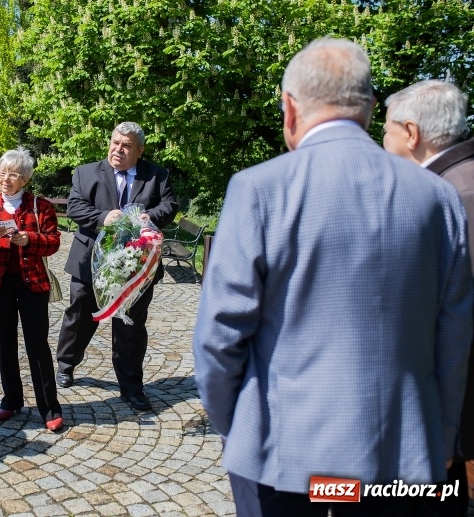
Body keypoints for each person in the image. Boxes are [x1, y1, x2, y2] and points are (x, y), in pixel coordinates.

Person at [192, 37, 473, 517]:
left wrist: (234, 424)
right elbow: (453, 336)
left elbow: (219, 338)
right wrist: (442, 436)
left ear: (289, 108)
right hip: (401, 458)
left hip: (282, 458)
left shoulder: (258, 189)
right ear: (365, 108)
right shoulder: (436, 197)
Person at [383, 79, 474, 515]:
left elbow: (455, 320)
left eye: (386, 130)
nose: (382, 140)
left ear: (412, 133)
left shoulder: (454, 197)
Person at [56, 122, 178, 411]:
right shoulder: (85, 173)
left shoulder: (157, 175)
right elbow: (75, 207)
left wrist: (146, 217)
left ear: (139, 150)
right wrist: (102, 218)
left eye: (125, 145)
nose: (118, 150)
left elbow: (170, 205)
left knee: (131, 327)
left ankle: (132, 388)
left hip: (137, 268)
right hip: (90, 264)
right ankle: (65, 365)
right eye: (114, 143)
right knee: (79, 317)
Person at [0, 147, 64, 431]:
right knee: (5, 343)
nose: (6, 179)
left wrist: (29, 240)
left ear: (25, 178)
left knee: (37, 345)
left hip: (32, 282)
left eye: (13, 174)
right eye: (2, 172)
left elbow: (54, 242)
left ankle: (49, 407)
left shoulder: (41, 206)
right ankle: (11, 400)